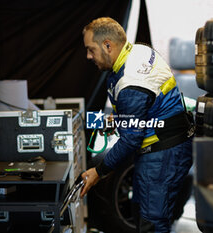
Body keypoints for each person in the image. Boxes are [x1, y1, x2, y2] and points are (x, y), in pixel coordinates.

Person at [80, 17, 193, 233]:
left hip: (163, 154)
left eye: (90, 49)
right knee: (142, 212)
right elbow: (146, 106)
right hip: (163, 148)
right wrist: (122, 119)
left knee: (152, 223)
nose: (88, 56)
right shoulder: (137, 51)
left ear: (107, 45)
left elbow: (132, 138)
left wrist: (98, 171)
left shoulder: (131, 82)